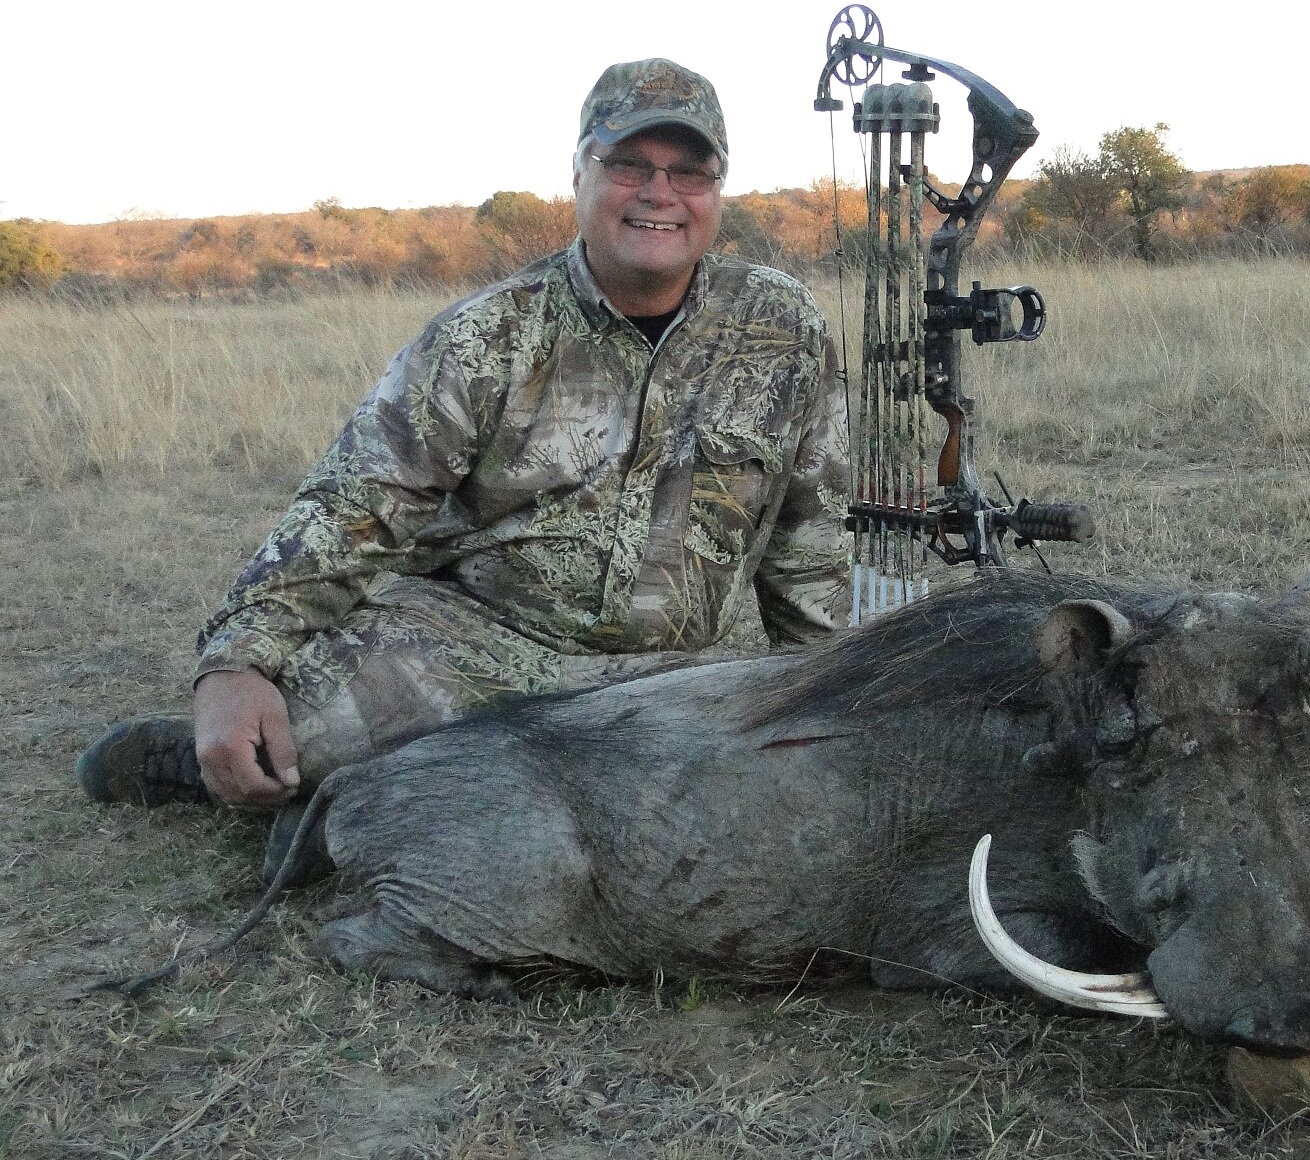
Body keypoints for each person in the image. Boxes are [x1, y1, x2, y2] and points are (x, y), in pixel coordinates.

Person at [77, 58, 851, 854]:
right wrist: (235, 665)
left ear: (716, 191)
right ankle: (229, 766)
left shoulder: (782, 326)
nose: (660, 193)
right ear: (581, 173)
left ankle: (366, 809)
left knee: (729, 788)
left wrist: (829, 694)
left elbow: (810, 532)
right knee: (283, 747)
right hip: (465, 645)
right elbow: (354, 505)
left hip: (661, 675)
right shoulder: (486, 334)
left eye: (689, 172)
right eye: (629, 165)